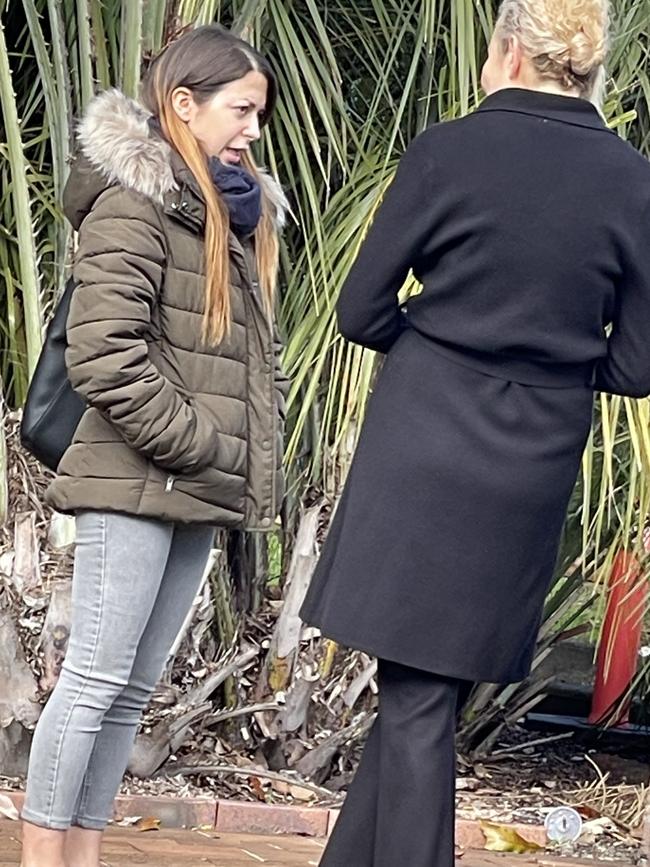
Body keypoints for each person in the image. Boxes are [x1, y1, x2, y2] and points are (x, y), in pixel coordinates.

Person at [300, 1, 650, 865]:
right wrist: (553, 375)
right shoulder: (634, 180)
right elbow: (638, 363)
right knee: (423, 692)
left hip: (424, 441)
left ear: (506, 51)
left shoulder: (449, 149)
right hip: (532, 463)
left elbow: (359, 309)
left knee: (418, 693)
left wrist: (438, 348)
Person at [20, 25, 289, 867]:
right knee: (95, 679)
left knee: (130, 688)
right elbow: (106, 352)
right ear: (183, 105)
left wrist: (220, 459)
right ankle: (41, 857)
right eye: (240, 110)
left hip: (193, 487)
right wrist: (201, 442)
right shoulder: (134, 201)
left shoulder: (228, 215)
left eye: (258, 115)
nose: (251, 130)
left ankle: (84, 852)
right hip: (133, 477)